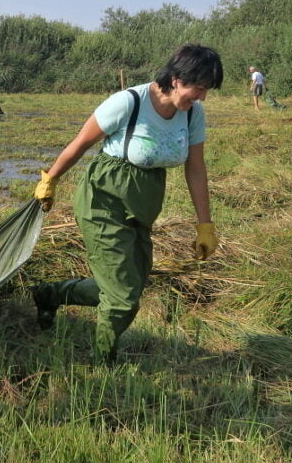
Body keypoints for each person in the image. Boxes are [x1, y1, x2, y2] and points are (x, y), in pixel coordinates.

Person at [32, 44, 222, 363]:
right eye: (198, 88)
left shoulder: (193, 114)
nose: (201, 97)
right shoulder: (130, 102)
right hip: (103, 200)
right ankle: (103, 363)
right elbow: (81, 143)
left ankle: (48, 294)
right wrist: (50, 180)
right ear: (176, 79)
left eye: (206, 91)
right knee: (122, 298)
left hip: (143, 204)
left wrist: (205, 225)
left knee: (130, 283)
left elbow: (196, 169)